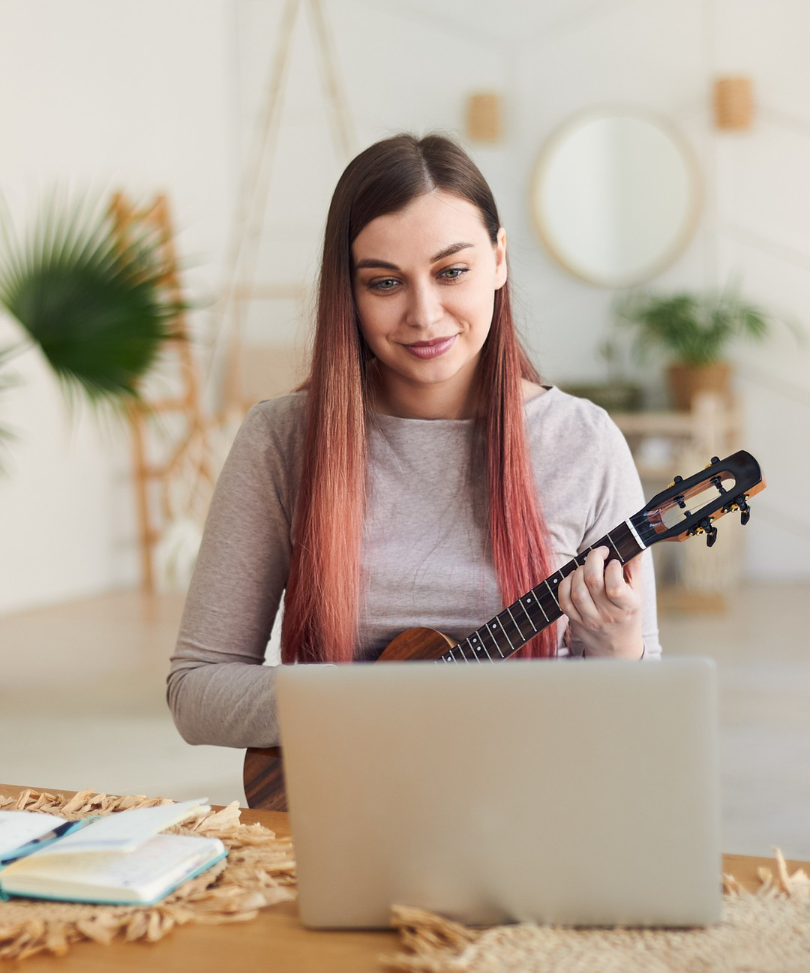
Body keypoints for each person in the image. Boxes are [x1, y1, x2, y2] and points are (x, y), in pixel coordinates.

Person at [167, 133, 659, 750]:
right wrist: (390, 704)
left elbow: (635, 719)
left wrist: (619, 650)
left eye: (452, 272)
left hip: (529, 806)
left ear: (500, 260)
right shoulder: (280, 440)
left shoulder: (583, 444)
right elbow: (197, 693)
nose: (424, 315)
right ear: (348, 289)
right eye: (384, 283)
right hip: (349, 808)